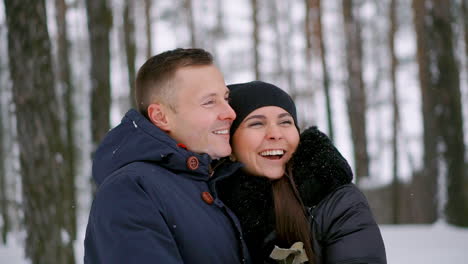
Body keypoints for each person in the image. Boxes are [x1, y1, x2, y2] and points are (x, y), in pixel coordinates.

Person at [84, 48, 250, 264]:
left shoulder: (210, 181)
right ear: (161, 117)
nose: (230, 112)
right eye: (209, 102)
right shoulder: (130, 190)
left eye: (226, 98)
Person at [218, 81, 386, 264]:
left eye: (285, 122)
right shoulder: (209, 203)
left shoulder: (335, 200)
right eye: (257, 123)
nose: (275, 133)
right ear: (230, 146)